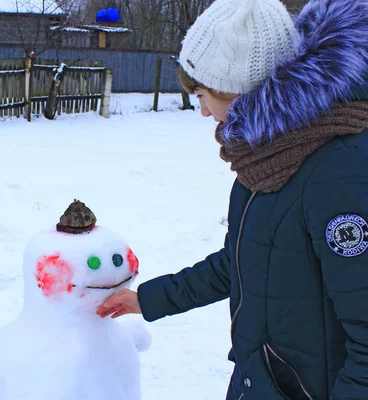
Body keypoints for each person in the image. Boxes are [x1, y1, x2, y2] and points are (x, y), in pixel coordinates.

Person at [97, 0, 368, 398]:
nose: (203, 111)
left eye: (203, 94)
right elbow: (241, 261)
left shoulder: (336, 173)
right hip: (260, 380)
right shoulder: (265, 158)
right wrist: (149, 299)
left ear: (241, 89)